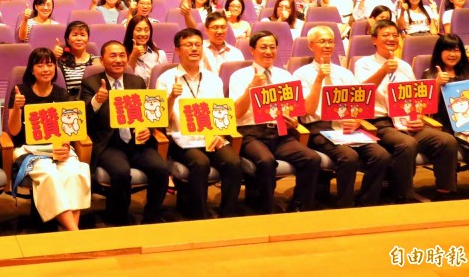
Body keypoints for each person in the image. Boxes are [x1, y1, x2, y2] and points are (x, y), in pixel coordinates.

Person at [354, 20, 458, 202]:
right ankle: (404, 194)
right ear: (374, 40)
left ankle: (445, 192)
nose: (391, 38)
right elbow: (362, 95)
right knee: (407, 144)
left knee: (446, 140)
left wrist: (419, 118)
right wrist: (382, 71)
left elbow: (414, 98)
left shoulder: (405, 66)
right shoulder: (363, 64)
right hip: (380, 122)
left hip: (406, 121)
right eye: (386, 35)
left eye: (395, 35)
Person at [295, 26, 391, 208]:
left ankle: (366, 202)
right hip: (319, 128)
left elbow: (359, 105)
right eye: (322, 41)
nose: (327, 45)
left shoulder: (345, 73)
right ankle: (344, 205)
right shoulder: (301, 74)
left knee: (381, 155)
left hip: (347, 127)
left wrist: (356, 121)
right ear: (310, 46)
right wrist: (319, 80)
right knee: (349, 157)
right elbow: (307, 109)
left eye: (330, 41)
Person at [229, 31, 321, 213]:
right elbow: (236, 114)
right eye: (263, 47)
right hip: (251, 133)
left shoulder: (285, 76)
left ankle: (300, 205)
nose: (269, 51)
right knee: (266, 161)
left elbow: (296, 113)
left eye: (272, 47)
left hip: (280, 131)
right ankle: (266, 209)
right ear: (252, 50)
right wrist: (251, 87)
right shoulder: (239, 76)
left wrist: (293, 122)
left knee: (312, 158)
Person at [156, 28, 242, 218]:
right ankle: (200, 215)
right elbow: (162, 121)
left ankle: (228, 213)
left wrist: (220, 134)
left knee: (234, 162)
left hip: (211, 136)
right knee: (200, 163)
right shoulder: (166, 79)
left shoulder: (213, 79)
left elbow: (222, 114)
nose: (194, 49)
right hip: (180, 138)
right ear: (178, 50)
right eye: (188, 45)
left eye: (197, 45)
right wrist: (171, 97)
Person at [80, 41, 169, 224]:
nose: (118, 60)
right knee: (121, 172)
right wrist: (97, 101)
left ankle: (152, 216)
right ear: (102, 60)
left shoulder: (136, 82)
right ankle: (119, 219)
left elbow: (149, 115)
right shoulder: (91, 83)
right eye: (113, 56)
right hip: (109, 144)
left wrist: (148, 128)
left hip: (137, 142)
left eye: (122, 55)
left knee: (161, 169)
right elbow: (84, 119)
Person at [7, 48, 91, 229]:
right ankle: (75, 232)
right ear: (32, 69)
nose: (45, 69)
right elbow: (13, 132)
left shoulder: (62, 94)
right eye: (40, 65)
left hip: (58, 148)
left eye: (50, 64)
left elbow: (70, 130)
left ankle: (71, 232)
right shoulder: (20, 92)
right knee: (50, 175)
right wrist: (17, 108)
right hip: (30, 150)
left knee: (77, 172)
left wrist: (65, 146)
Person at [424, 34, 469, 198]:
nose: (452, 54)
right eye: (447, 50)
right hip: (444, 126)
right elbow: (427, 109)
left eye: (456, 50)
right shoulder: (429, 74)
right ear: (439, 52)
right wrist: (437, 84)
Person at [54, 21, 100, 98]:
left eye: (82, 35)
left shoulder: (97, 61)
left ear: (88, 38)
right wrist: (53, 58)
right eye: (75, 35)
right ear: (67, 40)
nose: (79, 39)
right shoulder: (62, 62)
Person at [123, 15, 167, 81]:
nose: (143, 34)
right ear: (131, 32)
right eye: (138, 30)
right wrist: (133, 56)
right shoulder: (122, 55)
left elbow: (166, 80)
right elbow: (125, 81)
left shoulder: (160, 54)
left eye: (146, 30)